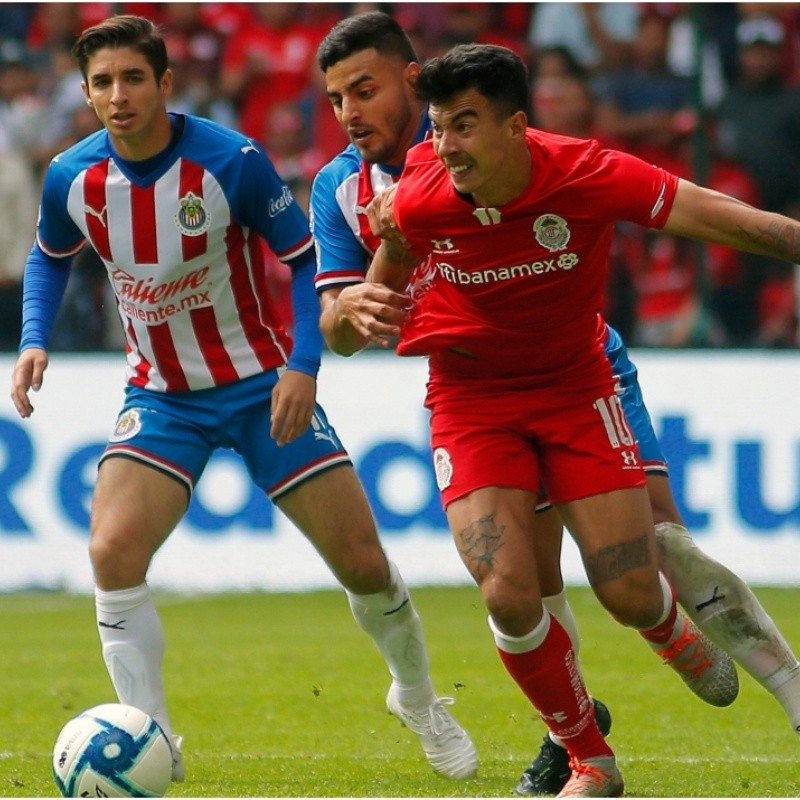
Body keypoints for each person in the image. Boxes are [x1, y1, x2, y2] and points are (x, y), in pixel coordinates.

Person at [311, 12, 800, 797]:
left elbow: (724, 217)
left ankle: (684, 636)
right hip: (472, 396)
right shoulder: (376, 196)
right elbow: (346, 311)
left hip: (579, 375)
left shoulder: (582, 170)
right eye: (335, 99)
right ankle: (584, 756)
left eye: (363, 91)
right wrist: (356, 314)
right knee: (513, 588)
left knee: (647, 569)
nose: (348, 113)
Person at [8, 15, 478, 786]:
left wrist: (303, 366)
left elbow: (301, 263)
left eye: (133, 78)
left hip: (263, 386)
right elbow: (48, 257)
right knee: (110, 551)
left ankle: (419, 697)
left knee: (363, 564)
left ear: (164, 83)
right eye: (101, 83)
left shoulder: (232, 160)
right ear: (86, 93)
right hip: (161, 398)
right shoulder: (72, 176)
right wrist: (34, 338)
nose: (117, 96)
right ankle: (150, 736)